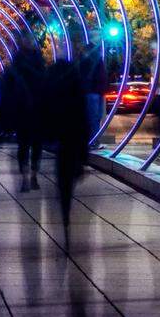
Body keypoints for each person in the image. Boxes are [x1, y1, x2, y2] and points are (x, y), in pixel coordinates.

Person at [45, 58, 90, 249]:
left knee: (62, 177)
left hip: (62, 141)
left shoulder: (53, 91)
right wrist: (84, 154)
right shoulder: (78, 92)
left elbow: (46, 114)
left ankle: (64, 212)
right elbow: (84, 122)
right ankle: (66, 210)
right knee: (68, 177)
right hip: (74, 140)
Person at [0, 32, 47, 191]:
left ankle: (31, 175)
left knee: (31, 144)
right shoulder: (23, 60)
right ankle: (28, 176)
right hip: (27, 109)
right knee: (26, 144)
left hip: (33, 108)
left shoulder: (23, 61)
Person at [77, 30, 108, 136]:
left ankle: (93, 139)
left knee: (96, 116)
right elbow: (89, 70)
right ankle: (92, 140)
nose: (100, 37)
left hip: (95, 88)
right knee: (93, 116)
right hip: (92, 89)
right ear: (93, 37)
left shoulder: (93, 50)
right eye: (99, 35)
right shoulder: (90, 51)